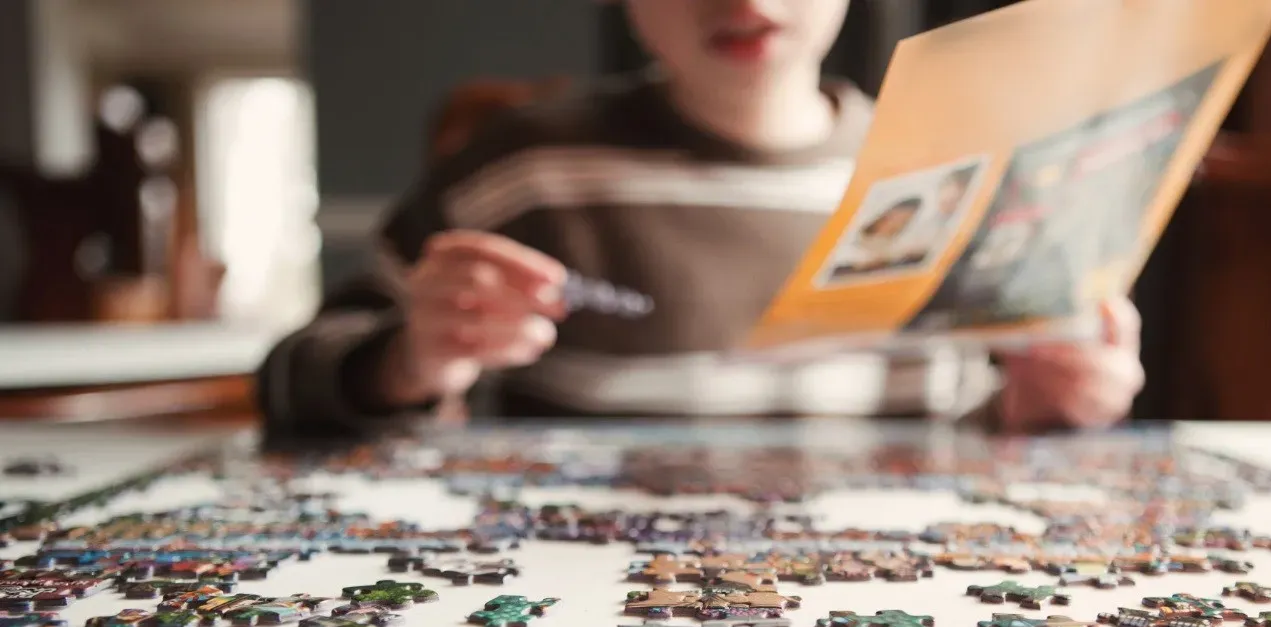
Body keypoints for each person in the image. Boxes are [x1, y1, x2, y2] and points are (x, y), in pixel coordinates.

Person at [257, 0, 1144, 440]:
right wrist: (413, 358)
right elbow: (292, 379)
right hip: (584, 599)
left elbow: (988, 432)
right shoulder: (523, 169)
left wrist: (1048, 405)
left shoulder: (958, 173)